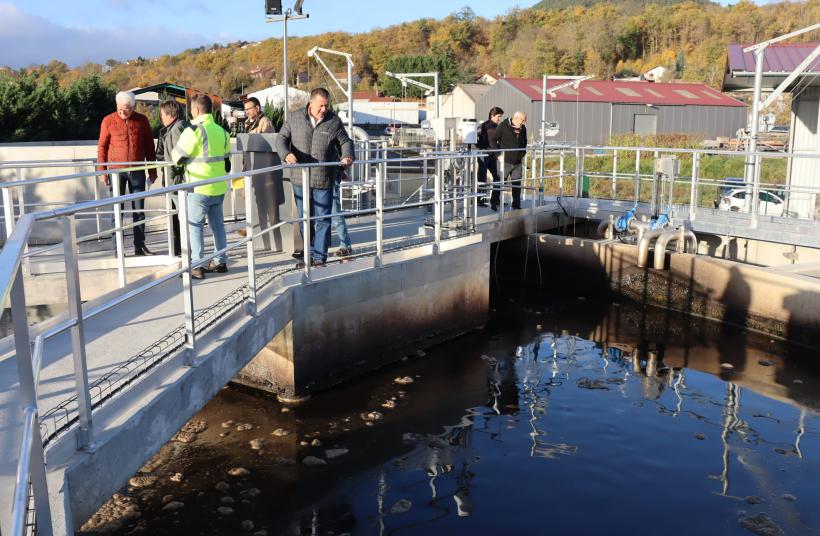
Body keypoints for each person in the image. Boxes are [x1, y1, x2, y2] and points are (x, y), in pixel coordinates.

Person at [276, 87, 354, 266]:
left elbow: (345, 142)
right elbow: (281, 139)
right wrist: (285, 154)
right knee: (305, 219)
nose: (324, 109)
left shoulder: (333, 121)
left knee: (323, 220)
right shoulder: (294, 118)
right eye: (321, 106)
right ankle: (308, 255)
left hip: (324, 179)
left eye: (326, 106)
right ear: (311, 103)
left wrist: (347, 156)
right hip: (299, 179)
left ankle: (319, 258)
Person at [171, 94, 232, 280]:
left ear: (197, 110)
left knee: (194, 226)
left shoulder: (194, 131)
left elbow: (176, 157)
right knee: (218, 226)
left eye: (191, 109)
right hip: (219, 188)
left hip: (199, 188)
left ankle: (196, 266)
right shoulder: (222, 131)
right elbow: (227, 161)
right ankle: (220, 261)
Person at [97, 90, 157, 256]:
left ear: (133, 106)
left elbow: (149, 147)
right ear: (117, 106)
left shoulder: (142, 120)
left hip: (137, 170)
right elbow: (102, 147)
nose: (125, 112)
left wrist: (152, 170)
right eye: (122, 109)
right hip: (116, 172)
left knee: (138, 209)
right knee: (118, 211)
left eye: (129, 109)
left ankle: (140, 246)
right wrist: (102, 171)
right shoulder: (108, 121)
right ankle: (118, 249)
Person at [236, 97, 275, 238]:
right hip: (249, 164)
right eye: (245, 109)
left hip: (261, 165)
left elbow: (266, 142)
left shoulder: (265, 122)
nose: (246, 112)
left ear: (257, 108)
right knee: (249, 197)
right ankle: (250, 226)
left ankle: (258, 228)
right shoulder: (247, 123)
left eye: (249, 109)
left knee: (260, 199)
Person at [155, 100, 190, 256]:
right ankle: (181, 250)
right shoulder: (170, 129)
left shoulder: (176, 130)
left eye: (162, 114)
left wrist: (173, 180)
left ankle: (183, 252)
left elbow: (178, 158)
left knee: (179, 218)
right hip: (175, 180)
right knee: (178, 219)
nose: (161, 118)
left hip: (177, 182)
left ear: (170, 114)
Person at [489, 111, 528, 211]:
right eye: (522, 120)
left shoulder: (523, 128)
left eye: (524, 121)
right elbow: (493, 139)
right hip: (505, 161)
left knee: (517, 184)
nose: (523, 122)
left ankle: (516, 205)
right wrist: (498, 155)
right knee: (500, 182)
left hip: (517, 162)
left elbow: (524, 142)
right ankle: (493, 203)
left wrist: (522, 154)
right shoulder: (503, 126)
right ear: (516, 118)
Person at [475, 106, 504, 207]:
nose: (499, 119)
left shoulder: (498, 127)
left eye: (500, 117)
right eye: (498, 116)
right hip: (484, 154)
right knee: (482, 177)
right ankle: (479, 200)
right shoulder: (483, 126)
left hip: (492, 155)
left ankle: (495, 200)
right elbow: (476, 140)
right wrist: (482, 149)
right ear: (492, 115)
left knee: (497, 177)